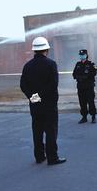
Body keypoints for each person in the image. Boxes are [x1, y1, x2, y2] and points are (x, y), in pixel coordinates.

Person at [20, 37, 66, 165]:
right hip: (49, 105)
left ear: (34, 50)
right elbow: (53, 85)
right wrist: (42, 97)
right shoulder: (51, 64)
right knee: (51, 131)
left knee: (37, 130)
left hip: (35, 105)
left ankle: (39, 156)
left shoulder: (27, 66)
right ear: (46, 49)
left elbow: (23, 86)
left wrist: (35, 98)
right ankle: (52, 157)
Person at [72, 49, 97, 124]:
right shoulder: (78, 64)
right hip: (80, 87)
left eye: (83, 55)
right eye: (80, 55)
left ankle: (93, 117)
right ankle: (84, 117)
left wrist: (86, 77)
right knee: (82, 102)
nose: (81, 56)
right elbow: (74, 74)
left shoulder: (91, 64)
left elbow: (94, 73)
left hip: (89, 86)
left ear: (86, 55)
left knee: (90, 102)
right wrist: (78, 77)